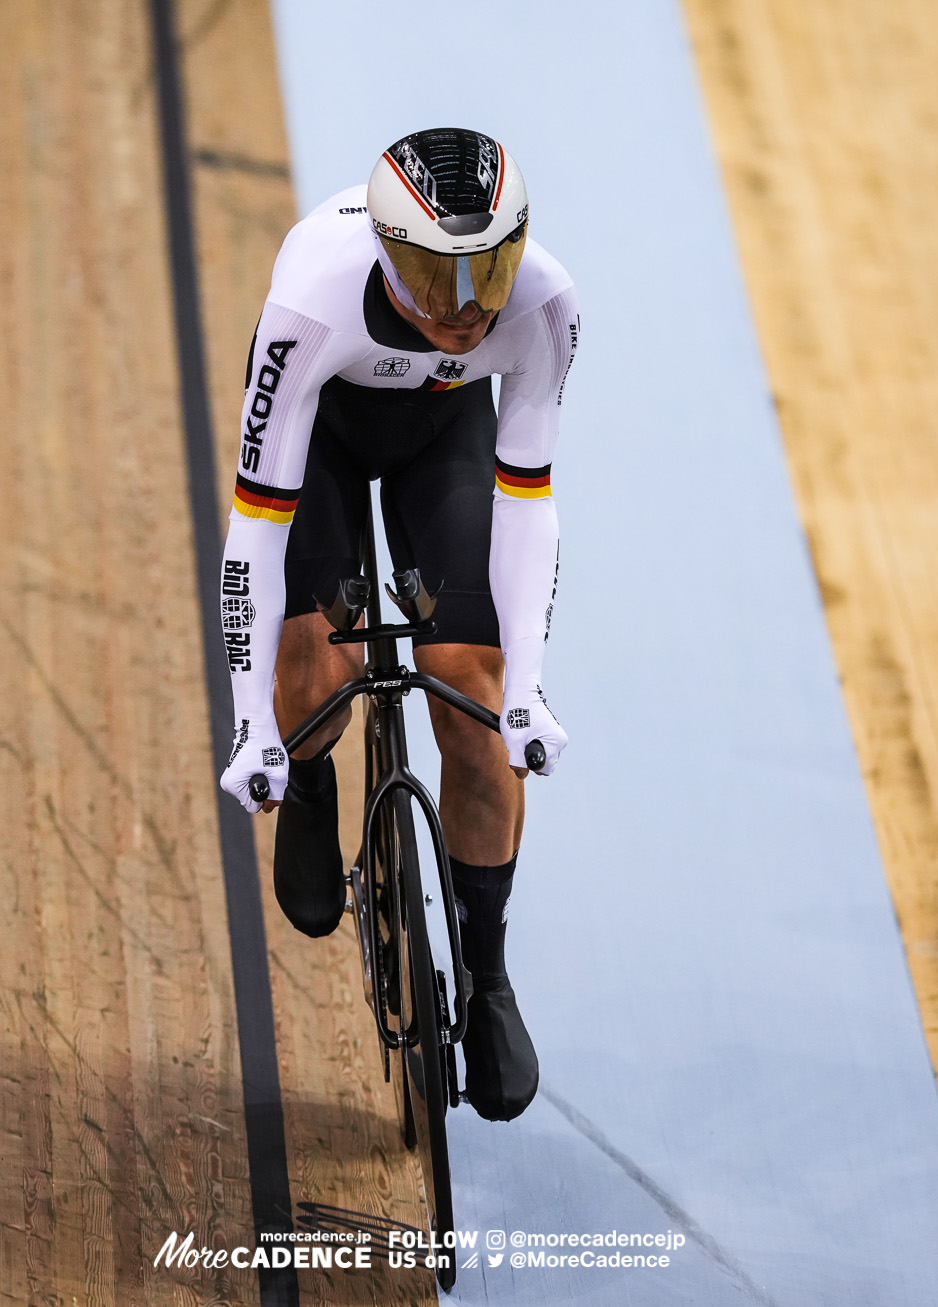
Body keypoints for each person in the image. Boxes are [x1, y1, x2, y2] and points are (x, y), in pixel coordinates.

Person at [217, 127, 576, 1123]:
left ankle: (488, 973)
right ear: (382, 251)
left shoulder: (544, 302)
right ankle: (315, 774)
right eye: (433, 274)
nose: (463, 307)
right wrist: (256, 723)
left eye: (485, 270)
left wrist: (528, 687)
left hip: (442, 437)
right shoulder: (311, 302)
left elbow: (526, 502)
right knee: (314, 679)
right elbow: (254, 535)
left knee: (473, 697)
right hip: (319, 435)